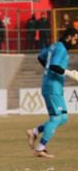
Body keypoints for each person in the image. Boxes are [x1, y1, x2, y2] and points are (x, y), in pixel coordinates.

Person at [26, 28, 78, 158]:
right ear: (69, 37)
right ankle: (40, 149)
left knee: (63, 118)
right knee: (55, 118)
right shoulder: (61, 49)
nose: (76, 42)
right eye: (75, 39)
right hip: (52, 88)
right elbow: (54, 66)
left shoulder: (54, 46)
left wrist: (50, 71)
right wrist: (69, 73)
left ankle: (35, 131)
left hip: (55, 87)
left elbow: (40, 57)